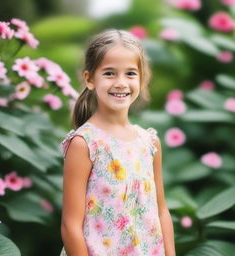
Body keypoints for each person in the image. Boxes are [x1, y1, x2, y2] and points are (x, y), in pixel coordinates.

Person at [60, 29, 176, 256]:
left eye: (130, 73)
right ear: (90, 79)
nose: (121, 83)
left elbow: (161, 210)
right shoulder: (85, 144)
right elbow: (70, 225)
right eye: (110, 73)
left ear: (142, 79)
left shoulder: (150, 142)